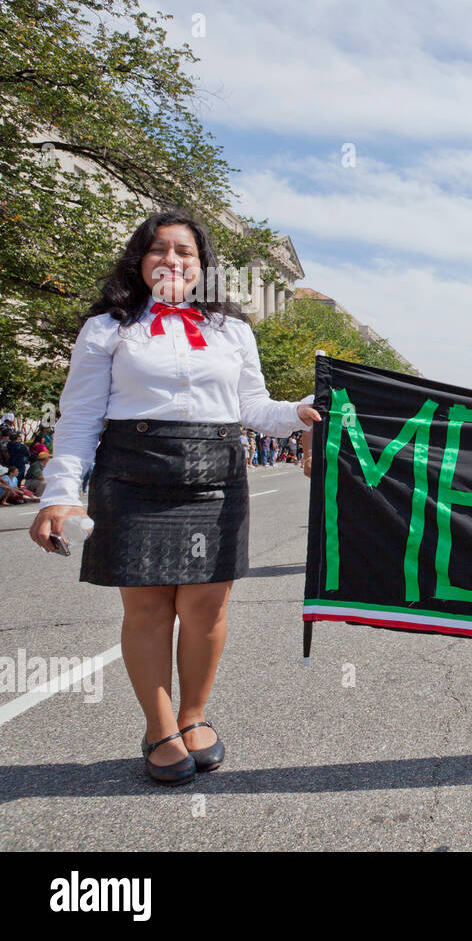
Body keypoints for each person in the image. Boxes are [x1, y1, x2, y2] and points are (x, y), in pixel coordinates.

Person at [28, 209, 320, 785]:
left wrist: (299, 411)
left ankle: (194, 716)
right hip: (132, 470)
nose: (172, 260)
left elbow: (252, 409)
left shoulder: (232, 329)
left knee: (207, 606)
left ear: (202, 267)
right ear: (139, 261)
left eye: (185, 252)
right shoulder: (108, 327)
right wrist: (60, 494)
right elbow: (81, 416)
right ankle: (159, 727)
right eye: (159, 250)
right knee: (148, 608)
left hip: (216, 470)